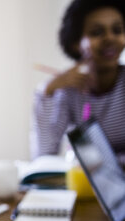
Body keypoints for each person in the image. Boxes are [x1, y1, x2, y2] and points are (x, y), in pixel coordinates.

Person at [32, 0, 125, 166]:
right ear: (76, 43)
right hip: (88, 184)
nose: (110, 38)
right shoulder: (68, 91)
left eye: (117, 30)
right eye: (97, 32)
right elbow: (44, 156)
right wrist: (48, 92)